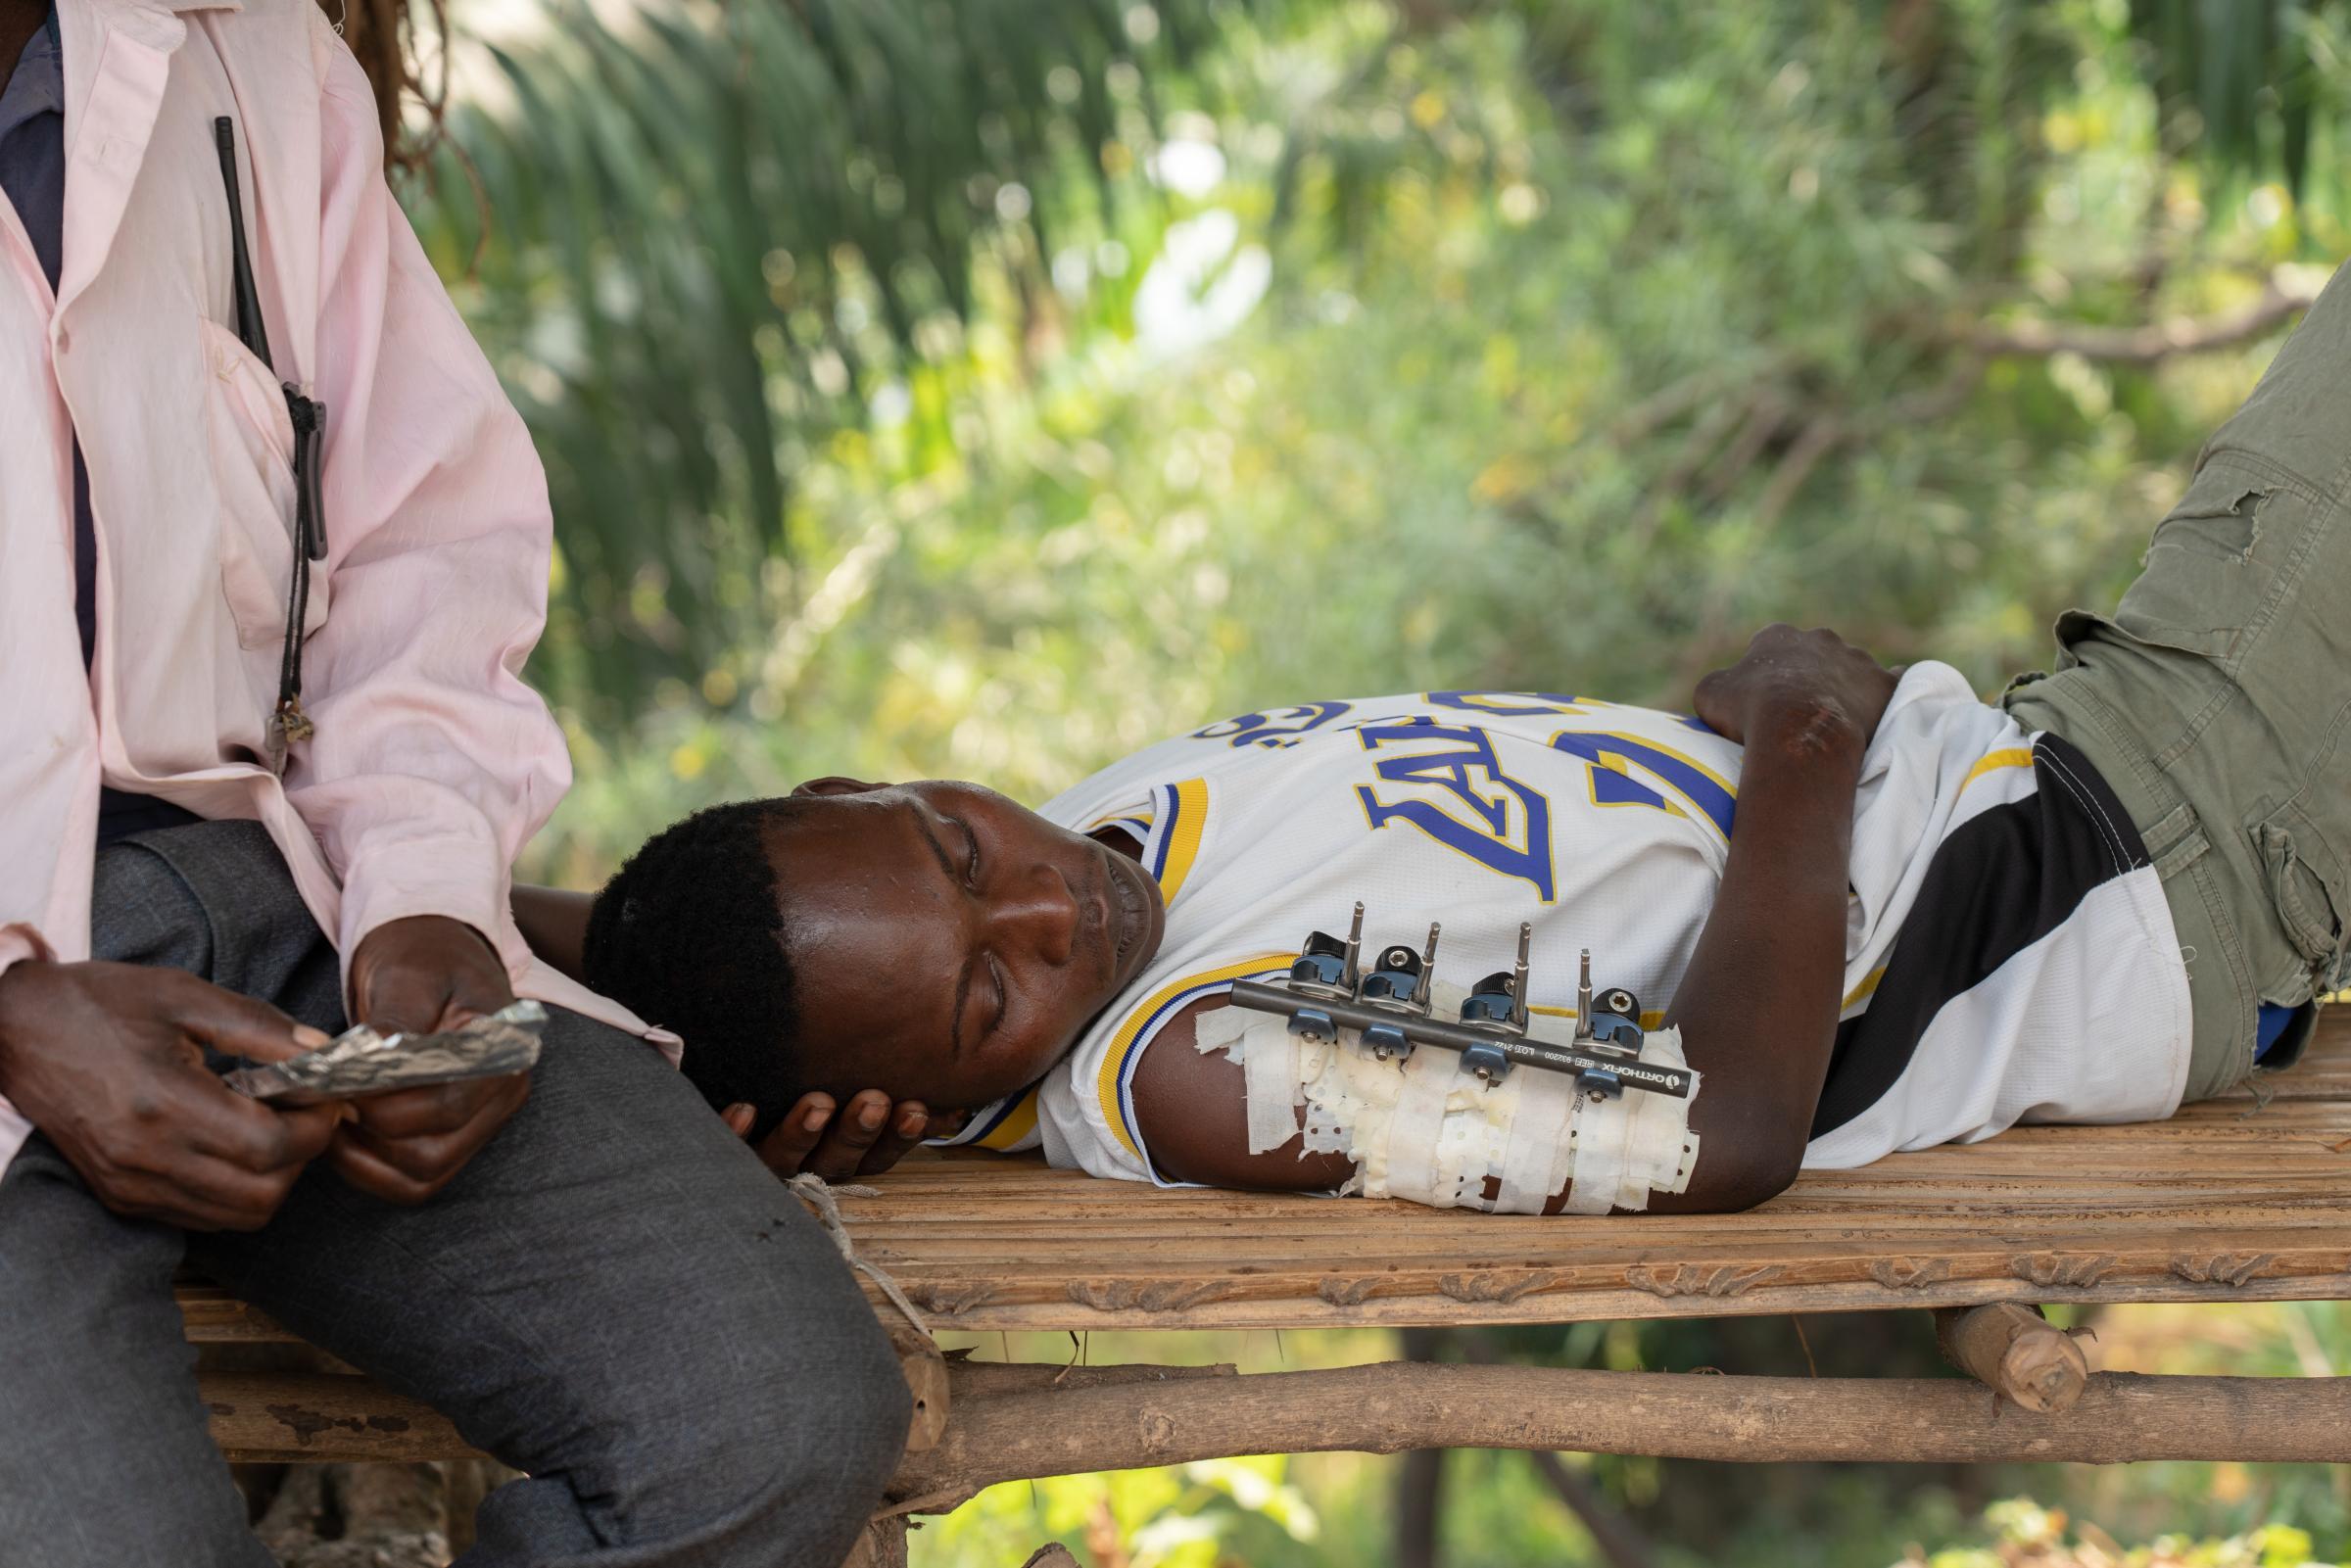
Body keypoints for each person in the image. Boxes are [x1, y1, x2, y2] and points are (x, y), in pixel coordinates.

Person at [548, 261, 2349, 1215]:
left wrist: (491, 912)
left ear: (867, 784)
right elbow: (1718, 1132)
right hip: (2139, 848)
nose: (1046, 907)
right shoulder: (1202, 1061)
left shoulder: (1098, 845)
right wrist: (1804, 736)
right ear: (927, 1108)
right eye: (981, 999)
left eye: (958, 846)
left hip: (2098, 778)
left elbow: (587, 922)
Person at [0, 3, 913, 1563]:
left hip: (283, 915)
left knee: (763, 1422)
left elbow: (420, 545)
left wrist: (427, 906)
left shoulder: (252, 59)